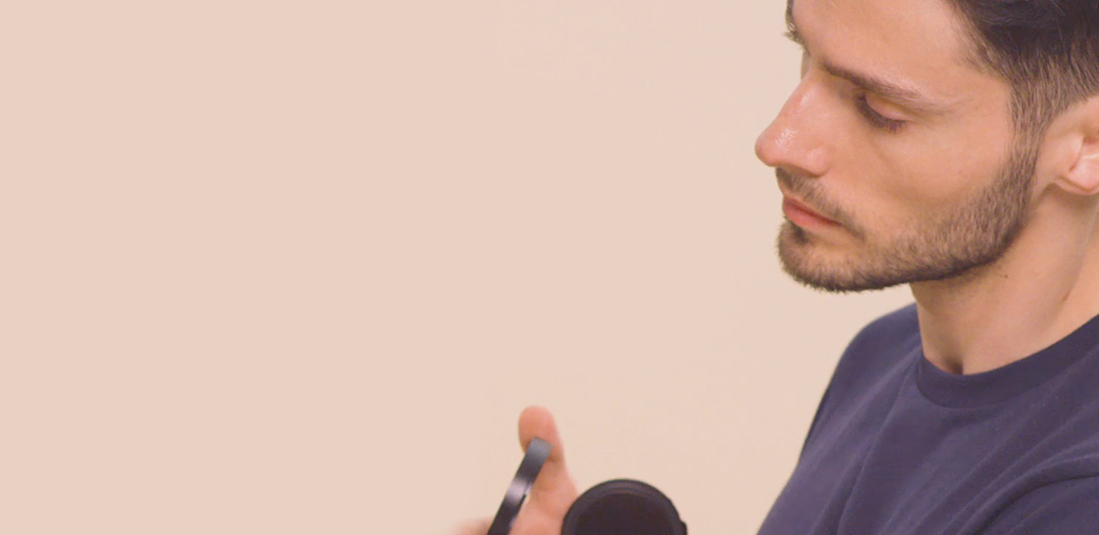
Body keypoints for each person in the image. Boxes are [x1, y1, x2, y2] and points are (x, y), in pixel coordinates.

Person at [460, 0, 1099, 532]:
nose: (778, 142)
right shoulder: (884, 355)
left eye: (878, 109)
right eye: (805, 56)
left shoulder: (1078, 497)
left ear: (1086, 149)